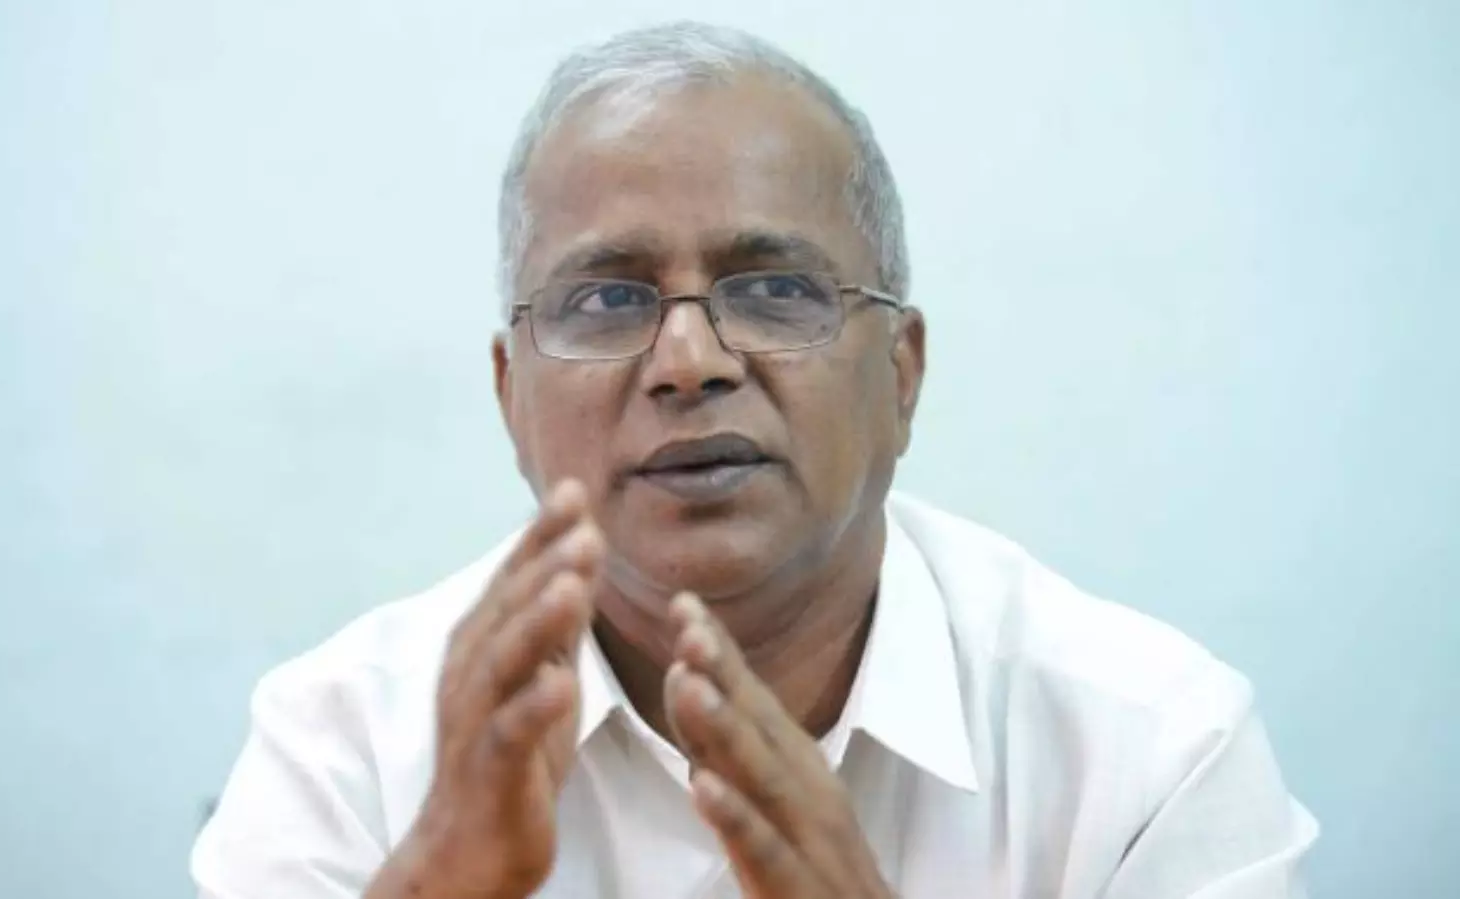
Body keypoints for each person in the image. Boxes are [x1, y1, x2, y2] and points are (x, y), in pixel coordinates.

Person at [191, 20, 1317, 899]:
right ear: (509, 397)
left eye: (774, 289)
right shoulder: (347, 743)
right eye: (607, 300)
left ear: (903, 373)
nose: (689, 362)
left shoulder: (1148, 750)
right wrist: (436, 878)